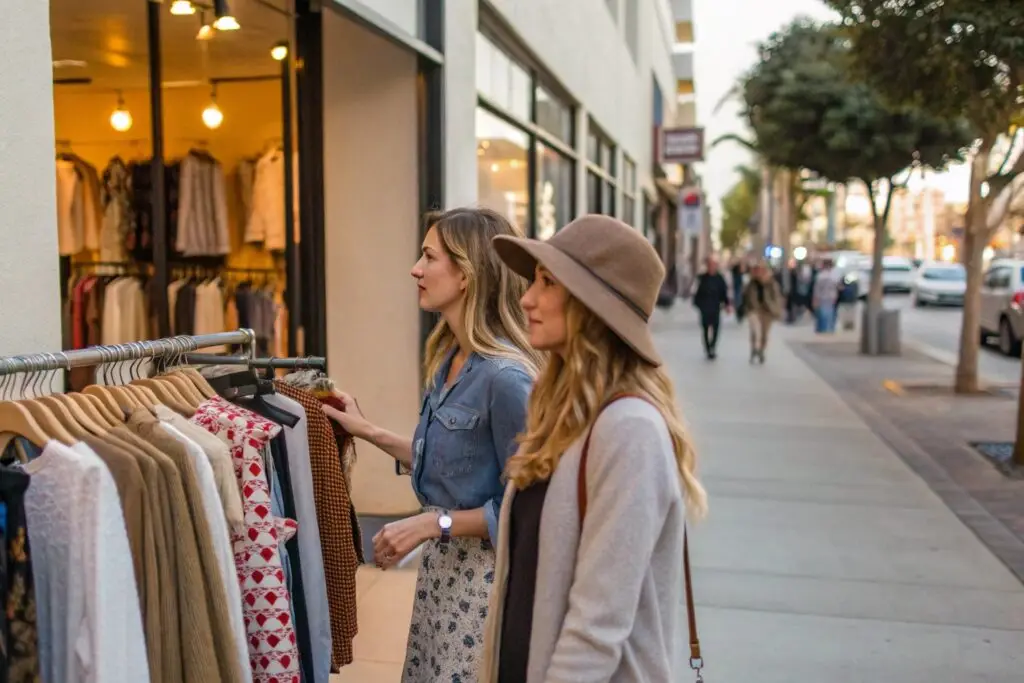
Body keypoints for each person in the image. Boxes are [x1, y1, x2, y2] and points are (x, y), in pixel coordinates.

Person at [481, 214, 708, 683]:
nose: (526, 298)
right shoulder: (562, 414)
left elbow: (596, 628)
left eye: (547, 283)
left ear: (590, 304)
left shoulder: (630, 431)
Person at [322, 207, 541, 683]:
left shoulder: (507, 381)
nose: (415, 269)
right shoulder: (450, 359)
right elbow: (453, 462)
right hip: (443, 580)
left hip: (483, 588)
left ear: (466, 273)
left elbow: (523, 510)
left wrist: (431, 523)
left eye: (428, 256)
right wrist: (368, 431)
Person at [742, 262, 783, 364]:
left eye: (761, 270)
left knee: (764, 333)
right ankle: (754, 349)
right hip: (754, 310)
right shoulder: (751, 283)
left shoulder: (771, 283)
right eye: (757, 270)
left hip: (767, 311)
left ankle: (761, 350)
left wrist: (776, 310)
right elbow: (745, 295)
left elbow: (776, 297)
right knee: (755, 331)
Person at [692, 256, 731, 359]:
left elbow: (724, 292)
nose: (712, 267)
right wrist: (698, 305)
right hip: (704, 307)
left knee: (716, 328)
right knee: (705, 328)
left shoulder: (720, 278)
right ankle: (708, 348)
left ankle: (713, 347)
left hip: (716, 307)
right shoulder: (701, 278)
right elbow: (696, 292)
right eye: (710, 265)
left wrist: (727, 304)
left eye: (714, 265)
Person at [812, 258, 840, 333]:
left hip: (822, 297)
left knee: (823, 314)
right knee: (830, 314)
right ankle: (829, 329)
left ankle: (823, 329)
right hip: (831, 297)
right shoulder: (835, 275)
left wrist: (815, 299)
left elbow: (816, 289)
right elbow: (838, 286)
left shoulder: (820, 275)